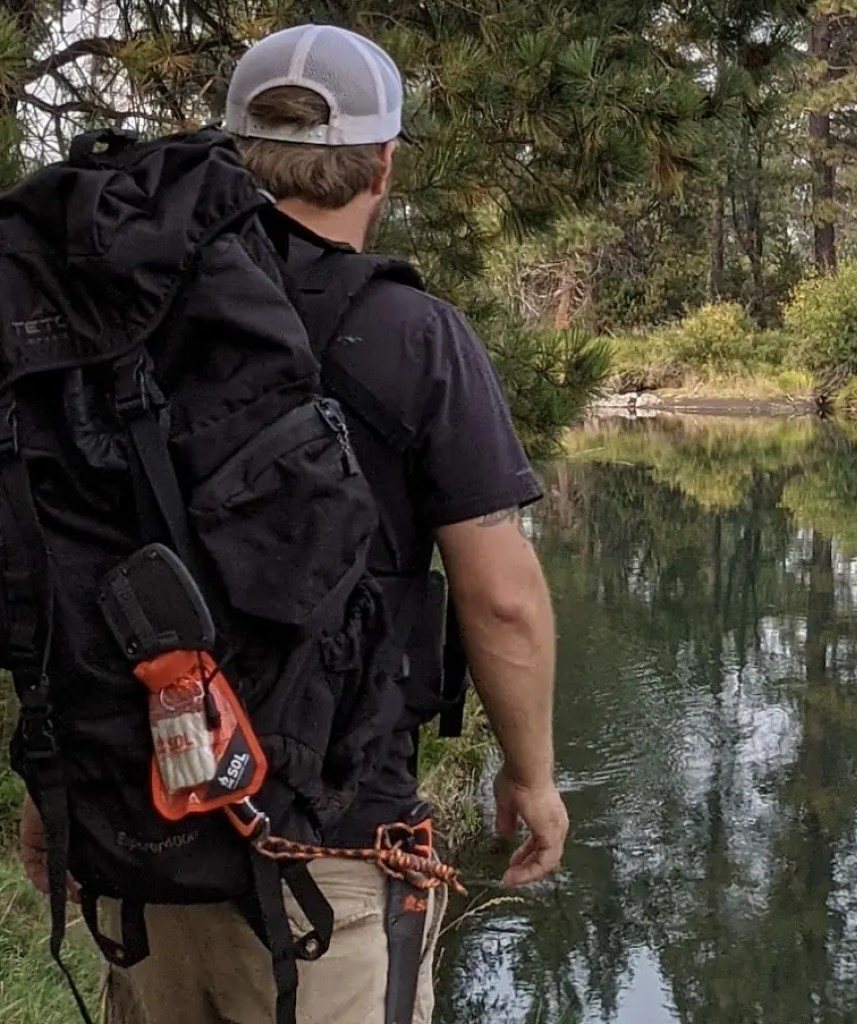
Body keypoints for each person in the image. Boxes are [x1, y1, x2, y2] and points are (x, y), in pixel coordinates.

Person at [19, 20, 569, 1024]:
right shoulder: (416, 335)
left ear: (231, 153)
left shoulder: (122, 327)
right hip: (328, 853)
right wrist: (532, 777)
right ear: (384, 165)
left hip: (132, 833)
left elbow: (73, 563)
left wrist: (50, 782)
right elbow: (500, 597)